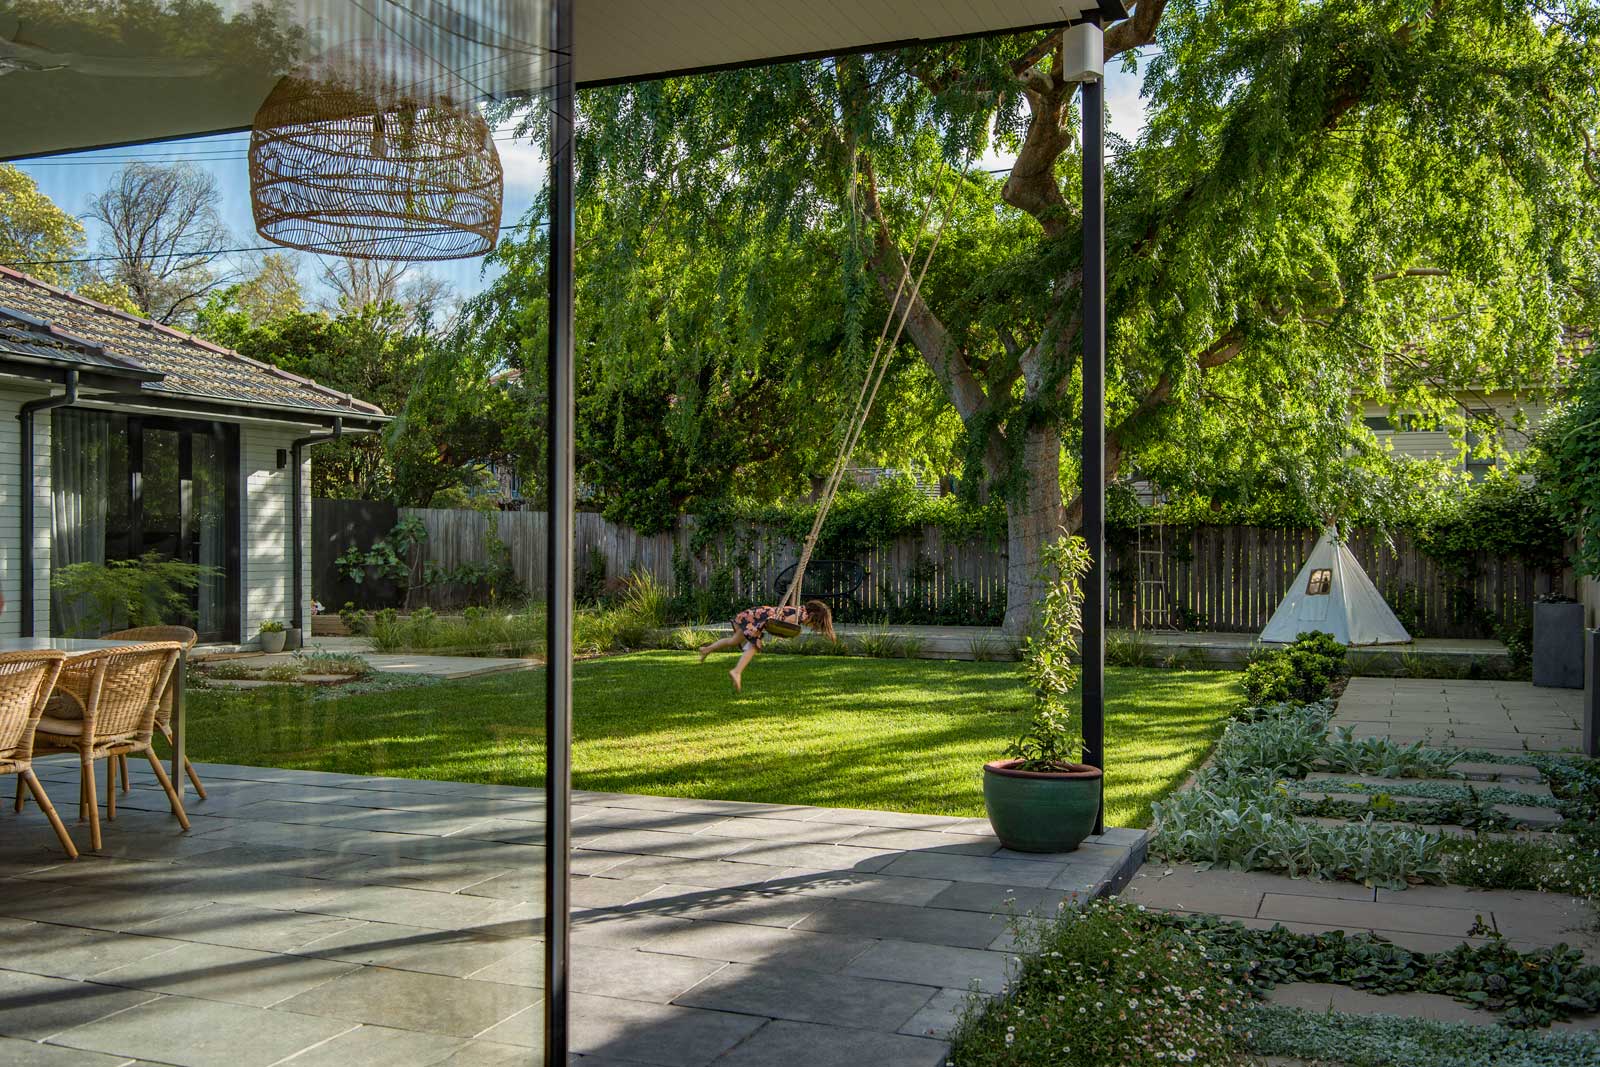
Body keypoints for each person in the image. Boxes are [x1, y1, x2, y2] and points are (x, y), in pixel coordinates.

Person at [698, 599, 836, 692]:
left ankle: (706, 649)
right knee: (753, 646)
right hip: (756, 620)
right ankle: (736, 671)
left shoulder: (800, 611)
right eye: (814, 623)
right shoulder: (799, 616)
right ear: (811, 615)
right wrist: (788, 632)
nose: (812, 626)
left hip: (754, 615)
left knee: (733, 640)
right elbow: (779, 624)